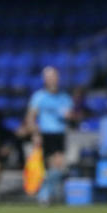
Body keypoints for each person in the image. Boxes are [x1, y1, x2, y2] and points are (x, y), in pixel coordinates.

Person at [25, 66, 72, 204]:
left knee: (59, 166)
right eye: (49, 77)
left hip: (60, 134)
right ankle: (45, 194)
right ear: (45, 79)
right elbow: (30, 118)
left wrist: (70, 116)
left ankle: (46, 193)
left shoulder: (65, 97)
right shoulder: (38, 97)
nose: (52, 80)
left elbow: (70, 115)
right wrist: (35, 133)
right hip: (45, 134)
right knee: (53, 165)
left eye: (54, 77)